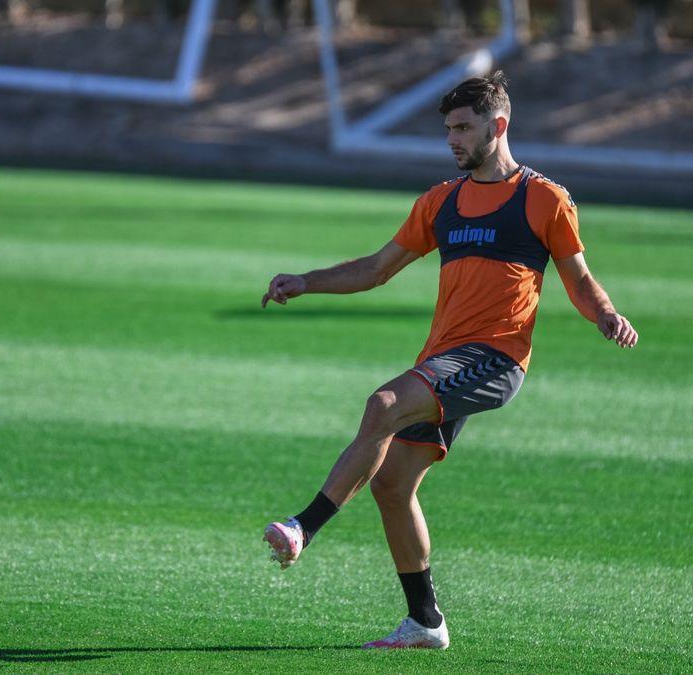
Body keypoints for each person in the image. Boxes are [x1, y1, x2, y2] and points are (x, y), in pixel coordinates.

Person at [259, 70, 639, 649]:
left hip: (496, 359)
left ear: (499, 125)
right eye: (448, 130)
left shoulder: (543, 199)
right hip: (444, 362)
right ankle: (425, 622)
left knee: (382, 403)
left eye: (464, 128)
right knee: (391, 484)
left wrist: (607, 313)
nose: (453, 140)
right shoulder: (442, 202)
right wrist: (305, 281)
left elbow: (580, 280)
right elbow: (376, 269)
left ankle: (303, 526)